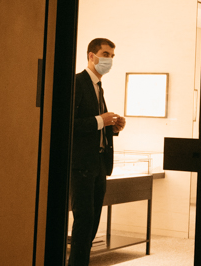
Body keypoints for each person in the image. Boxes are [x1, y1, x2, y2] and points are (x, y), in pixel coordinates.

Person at [69, 38, 124, 266]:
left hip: (99, 164)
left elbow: (96, 126)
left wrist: (113, 127)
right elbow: (70, 124)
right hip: (81, 165)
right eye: (105, 54)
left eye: (112, 55)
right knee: (84, 221)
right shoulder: (77, 83)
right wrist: (100, 121)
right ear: (92, 56)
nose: (109, 59)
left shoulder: (99, 87)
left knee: (92, 224)